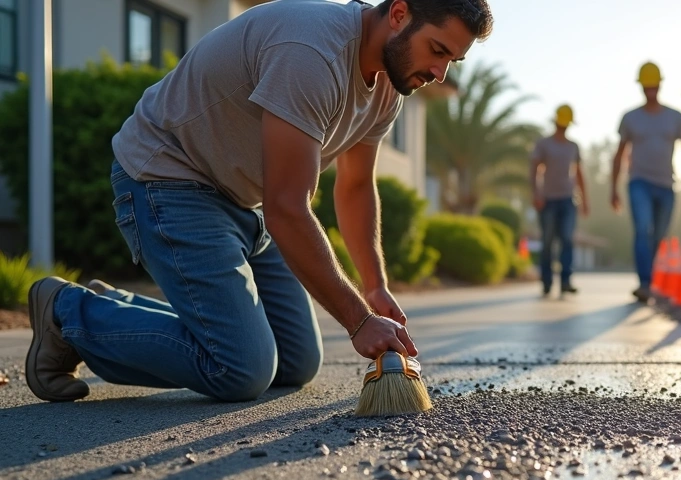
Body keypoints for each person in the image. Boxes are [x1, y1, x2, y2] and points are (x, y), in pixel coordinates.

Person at [24, 0, 493, 403]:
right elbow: (287, 206)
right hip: (168, 177)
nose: (439, 72)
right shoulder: (312, 53)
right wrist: (358, 321)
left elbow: (353, 187)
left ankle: (113, 315)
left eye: (452, 60)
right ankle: (69, 315)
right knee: (240, 369)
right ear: (398, 14)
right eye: (437, 50)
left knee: (296, 361)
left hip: (242, 201)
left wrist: (374, 288)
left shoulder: (390, 84)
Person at [610, 61, 681, 303]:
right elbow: (618, 155)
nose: (650, 90)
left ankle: (655, 280)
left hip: (666, 186)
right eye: (646, 87)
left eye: (653, 86)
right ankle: (645, 284)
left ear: (659, 86)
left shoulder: (675, 117)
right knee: (642, 229)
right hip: (639, 182)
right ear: (641, 87)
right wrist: (613, 189)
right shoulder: (630, 118)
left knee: (659, 236)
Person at [529, 104, 589, 297]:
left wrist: (585, 199)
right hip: (547, 200)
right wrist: (536, 193)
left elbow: (579, 173)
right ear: (555, 122)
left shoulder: (573, 146)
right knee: (547, 242)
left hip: (568, 200)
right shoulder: (544, 144)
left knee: (567, 240)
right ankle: (546, 281)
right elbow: (534, 169)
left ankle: (565, 281)